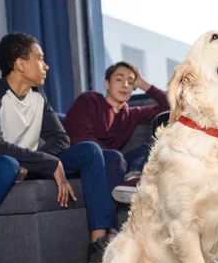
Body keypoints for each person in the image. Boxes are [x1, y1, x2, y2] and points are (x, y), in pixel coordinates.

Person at [0, 33, 116, 263]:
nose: (46, 65)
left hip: (22, 166)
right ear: (20, 64)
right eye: (40, 58)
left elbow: (61, 139)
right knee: (7, 163)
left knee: (90, 151)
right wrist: (49, 164)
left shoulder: (38, 97)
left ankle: (98, 244)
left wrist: (38, 162)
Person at [64, 61, 170, 205]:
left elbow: (168, 106)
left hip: (115, 161)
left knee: (155, 143)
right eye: (119, 79)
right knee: (115, 157)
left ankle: (134, 177)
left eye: (130, 82)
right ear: (107, 84)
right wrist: (111, 158)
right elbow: (81, 138)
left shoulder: (131, 114)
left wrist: (144, 84)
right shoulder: (89, 100)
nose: (125, 85)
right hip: (84, 158)